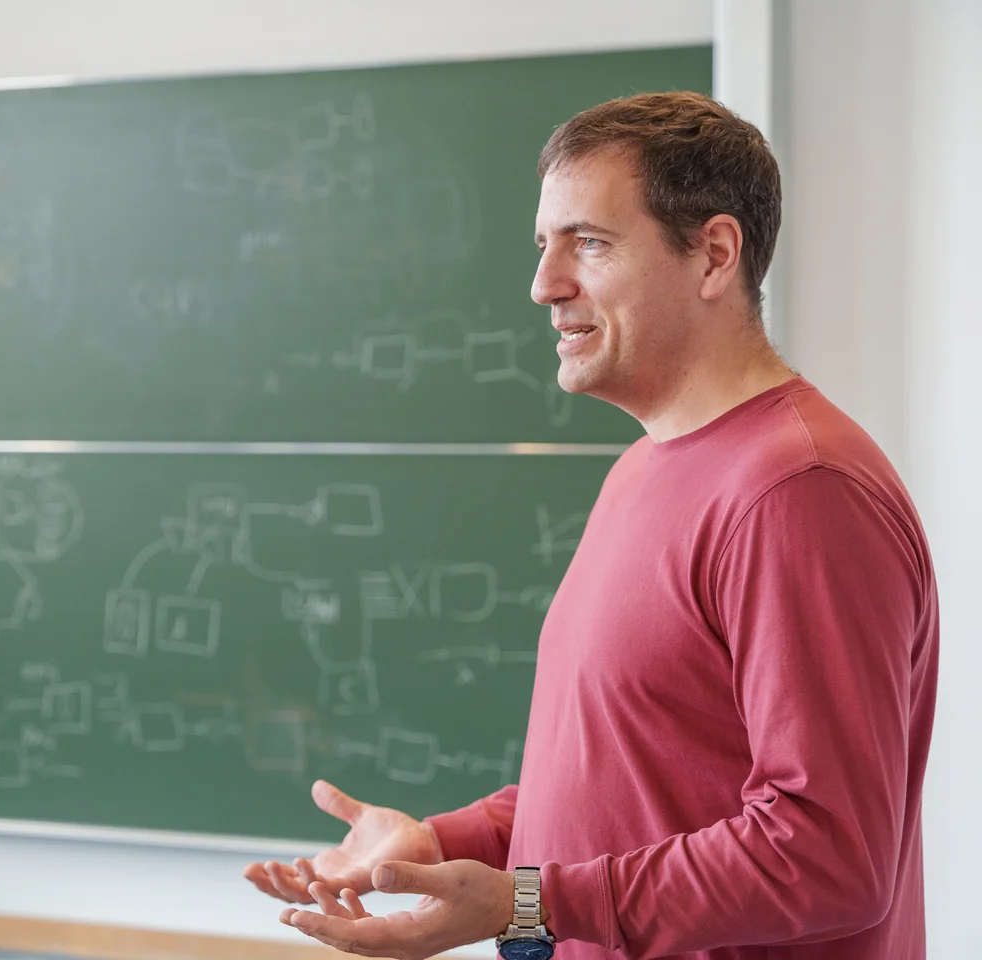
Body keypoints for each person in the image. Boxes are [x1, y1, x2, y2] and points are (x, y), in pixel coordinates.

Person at [243, 91, 939, 960]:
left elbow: (829, 855)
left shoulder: (797, 492)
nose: (544, 286)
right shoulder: (646, 467)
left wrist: (525, 903)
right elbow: (639, 781)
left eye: (591, 244)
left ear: (713, 254)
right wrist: (446, 844)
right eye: (545, 246)